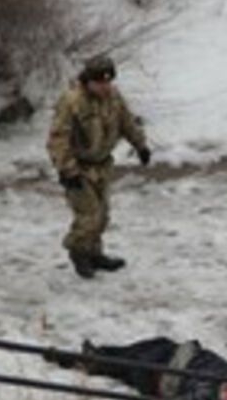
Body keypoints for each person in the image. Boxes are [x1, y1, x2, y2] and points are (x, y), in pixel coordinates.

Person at [48, 54, 151, 279]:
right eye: (100, 82)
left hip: (102, 165)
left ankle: (95, 254)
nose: (105, 87)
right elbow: (58, 139)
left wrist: (140, 145)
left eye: (108, 82)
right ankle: (78, 252)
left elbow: (127, 122)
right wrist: (68, 170)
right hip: (78, 168)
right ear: (88, 80)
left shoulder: (113, 97)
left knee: (102, 215)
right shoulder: (72, 101)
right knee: (89, 215)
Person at [48, 336, 227, 400]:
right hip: (173, 352)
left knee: (128, 363)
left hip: (156, 374)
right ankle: (94, 356)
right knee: (131, 351)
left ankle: (75, 361)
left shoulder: (203, 397)